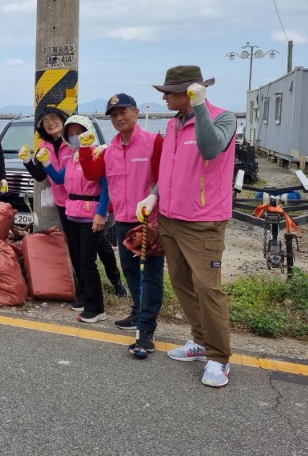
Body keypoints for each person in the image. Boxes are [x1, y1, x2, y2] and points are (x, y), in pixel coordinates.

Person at [136, 65, 236, 388]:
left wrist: (202, 105)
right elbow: (169, 170)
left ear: (190, 91)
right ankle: (199, 340)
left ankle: (219, 357)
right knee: (182, 283)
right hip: (170, 218)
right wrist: (153, 197)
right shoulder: (175, 124)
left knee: (208, 288)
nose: (164, 97)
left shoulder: (223, 117)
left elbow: (210, 148)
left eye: (169, 92)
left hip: (204, 222)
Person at [78, 94, 164, 351]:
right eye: (114, 114)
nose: (118, 118)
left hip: (149, 221)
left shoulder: (153, 142)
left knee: (150, 275)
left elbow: (163, 180)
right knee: (129, 271)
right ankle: (138, 313)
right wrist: (84, 150)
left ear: (136, 112)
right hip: (124, 221)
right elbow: (93, 174)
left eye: (123, 112)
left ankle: (146, 329)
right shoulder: (110, 149)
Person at [38, 115, 120, 324]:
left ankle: (97, 308)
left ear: (89, 132)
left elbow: (106, 186)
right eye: (71, 133)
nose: (75, 137)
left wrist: (101, 214)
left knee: (87, 261)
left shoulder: (98, 154)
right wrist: (45, 162)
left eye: (79, 132)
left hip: (90, 215)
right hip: (73, 213)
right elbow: (58, 179)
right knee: (80, 259)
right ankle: (86, 298)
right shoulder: (75, 157)